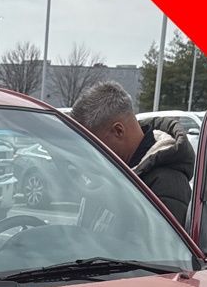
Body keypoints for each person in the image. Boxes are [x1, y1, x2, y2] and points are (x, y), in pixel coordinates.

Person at [69, 81, 195, 223]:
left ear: (118, 131)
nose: (91, 154)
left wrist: (110, 201)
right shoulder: (115, 172)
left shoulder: (167, 183)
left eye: (93, 144)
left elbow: (156, 237)